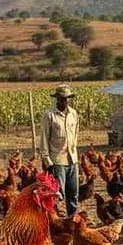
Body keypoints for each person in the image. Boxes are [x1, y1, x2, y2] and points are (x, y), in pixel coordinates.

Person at [41, 84, 80, 216]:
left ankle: (72, 219)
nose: (65, 101)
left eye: (67, 98)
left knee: (73, 194)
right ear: (57, 99)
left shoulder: (73, 114)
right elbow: (44, 139)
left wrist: (74, 152)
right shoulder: (49, 115)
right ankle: (57, 220)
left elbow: (75, 134)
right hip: (57, 160)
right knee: (58, 194)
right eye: (62, 98)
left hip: (72, 159)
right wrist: (47, 162)